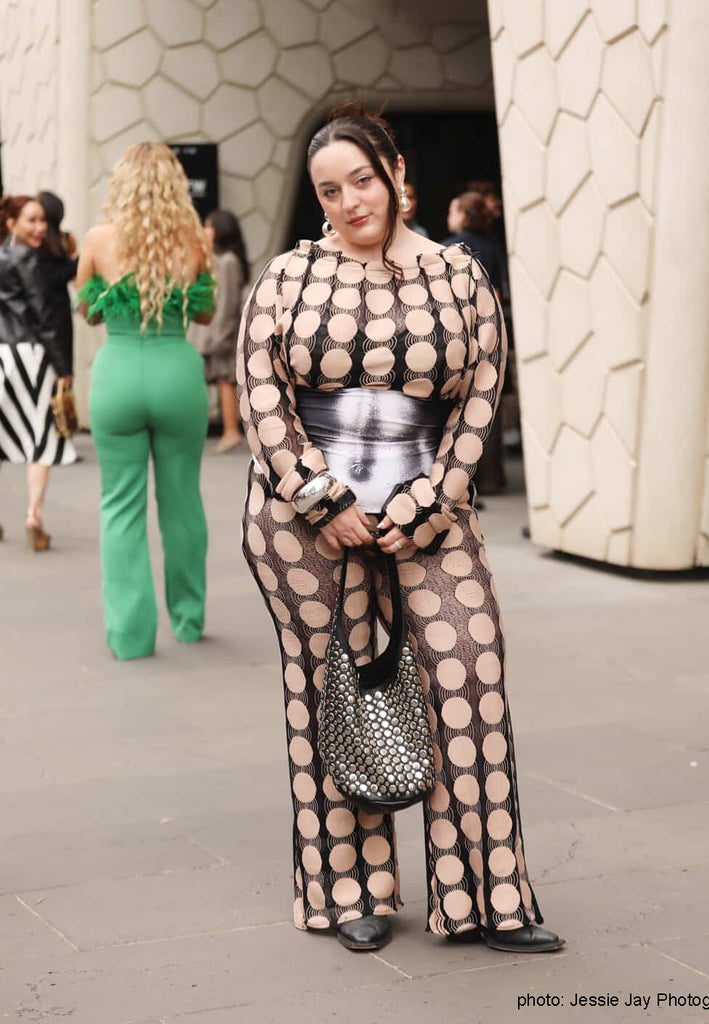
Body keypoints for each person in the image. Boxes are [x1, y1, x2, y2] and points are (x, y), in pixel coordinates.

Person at [237, 104, 563, 955]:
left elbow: (481, 397)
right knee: (333, 693)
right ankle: (348, 891)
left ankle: (488, 897)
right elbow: (263, 394)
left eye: (360, 181)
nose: (348, 202)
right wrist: (322, 499)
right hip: (305, 525)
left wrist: (429, 503)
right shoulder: (287, 279)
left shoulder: (461, 279)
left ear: (394, 173)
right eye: (328, 190)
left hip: (433, 513)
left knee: (469, 672)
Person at [77, 142, 215, 661]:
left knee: (120, 507)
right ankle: (188, 618)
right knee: (182, 501)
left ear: (122, 184)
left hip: (117, 376)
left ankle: (130, 636)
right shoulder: (194, 240)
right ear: (174, 185)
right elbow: (204, 314)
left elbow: (88, 311)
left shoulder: (97, 239)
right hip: (176, 373)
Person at [0, 194, 76, 550]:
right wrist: (63, 368)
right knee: (40, 438)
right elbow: (45, 317)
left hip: (2, 355)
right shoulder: (27, 258)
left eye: (42, 220)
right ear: (12, 224)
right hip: (29, 356)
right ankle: (33, 515)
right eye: (31, 220)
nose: (40, 227)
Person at [198, 209, 248, 453]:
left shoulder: (227, 260)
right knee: (221, 379)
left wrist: (218, 336)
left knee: (225, 379)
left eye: (208, 226)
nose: (204, 231)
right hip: (220, 331)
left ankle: (231, 431)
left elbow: (228, 303)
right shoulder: (222, 258)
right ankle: (230, 430)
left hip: (224, 332)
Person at [37, 191, 78, 385]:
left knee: (61, 377)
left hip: (56, 315)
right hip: (53, 316)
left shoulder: (63, 240)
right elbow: (57, 275)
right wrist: (76, 263)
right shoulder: (41, 244)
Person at [443, 190, 503, 294]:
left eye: (451, 212)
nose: (448, 217)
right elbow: (496, 291)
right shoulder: (491, 246)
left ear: (462, 215)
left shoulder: (447, 247)